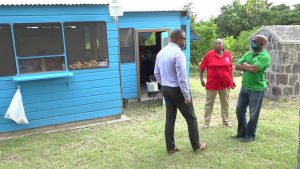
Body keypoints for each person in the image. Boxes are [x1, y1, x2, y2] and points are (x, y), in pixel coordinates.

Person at [154, 29, 207, 154]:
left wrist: (164, 84)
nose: (185, 41)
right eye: (184, 38)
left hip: (166, 89)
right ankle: (197, 146)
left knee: (170, 119)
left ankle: (170, 148)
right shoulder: (178, 54)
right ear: (177, 39)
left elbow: (156, 73)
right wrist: (186, 95)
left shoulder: (161, 52)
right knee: (191, 118)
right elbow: (182, 78)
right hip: (177, 90)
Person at [233, 34, 271, 142]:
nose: (252, 43)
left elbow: (254, 69)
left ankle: (250, 135)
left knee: (253, 114)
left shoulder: (265, 56)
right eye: (252, 41)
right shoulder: (248, 53)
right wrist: (248, 66)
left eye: (255, 41)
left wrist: (245, 64)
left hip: (257, 89)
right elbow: (236, 66)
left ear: (262, 44)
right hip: (244, 87)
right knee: (239, 110)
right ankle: (241, 133)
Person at [199, 39, 235, 128]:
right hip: (212, 84)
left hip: (225, 84)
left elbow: (230, 68)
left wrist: (232, 79)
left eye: (219, 43)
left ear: (223, 45)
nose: (217, 45)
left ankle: (226, 121)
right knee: (209, 104)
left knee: (225, 103)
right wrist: (201, 79)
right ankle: (206, 122)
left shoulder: (228, 54)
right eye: (216, 43)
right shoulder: (209, 54)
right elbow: (201, 67)